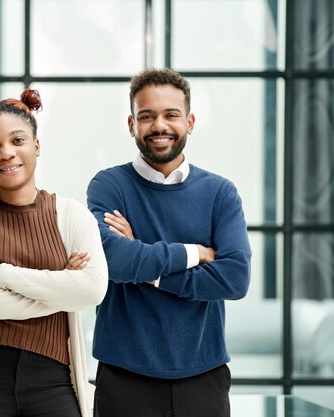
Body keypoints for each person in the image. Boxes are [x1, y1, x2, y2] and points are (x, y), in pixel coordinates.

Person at [86, 68, 252, 417]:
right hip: (123, 376)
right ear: (131, 125)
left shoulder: (220, 193)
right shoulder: (108, 186)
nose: (159, 125)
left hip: (203, 376)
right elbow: (114, 261)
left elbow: (234, 279)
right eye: (146, 116)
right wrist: (194, 253)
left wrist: (146, 267)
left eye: (171, 115)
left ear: (189, 122)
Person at [0, 89, 108, 417]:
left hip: (55, 379)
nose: (5, 153)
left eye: (17, 140)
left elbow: (92, 289)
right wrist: (59, 287)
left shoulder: (71, 215)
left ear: (36, 146)